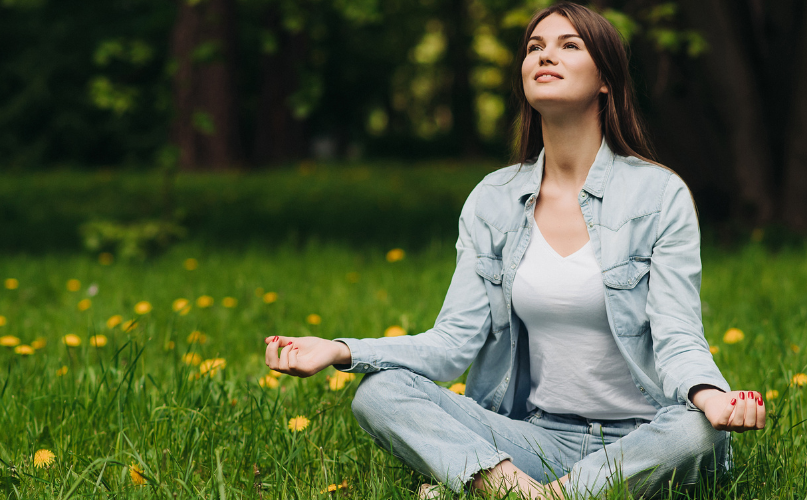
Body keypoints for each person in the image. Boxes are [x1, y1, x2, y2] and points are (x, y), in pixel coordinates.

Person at [263, 2, 765, 498]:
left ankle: (528, 494)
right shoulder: (493, 200)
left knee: (697, 430)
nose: (545, 56)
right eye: (535, 47)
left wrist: (711, 398)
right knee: (380, 392)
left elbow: (678, 337)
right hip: (538, 437)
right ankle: (530, 491)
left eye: (569, 45)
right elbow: (452, 342)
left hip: (643, 439)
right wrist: (341, 350)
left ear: (606, 79)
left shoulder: (659, 195)